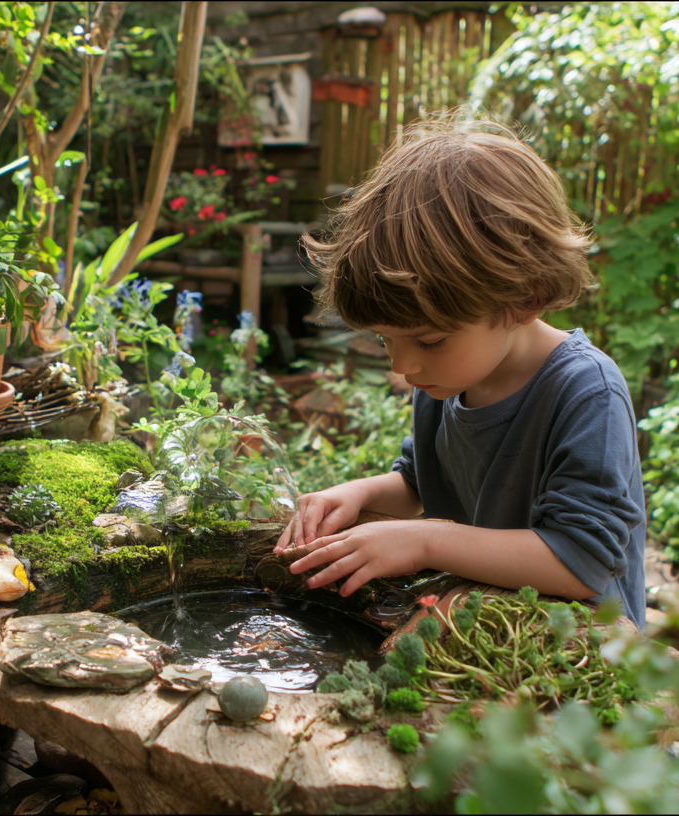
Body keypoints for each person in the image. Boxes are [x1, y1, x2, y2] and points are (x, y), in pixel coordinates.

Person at [276, 113, 647, 628]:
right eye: (385, 339)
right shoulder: (445, 379)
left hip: (576, 649)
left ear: (524, 299)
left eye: (429, 340)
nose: (402, 366)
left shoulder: (586, 392)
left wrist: (425, 541)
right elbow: (420, 483)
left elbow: (581, 562)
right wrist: (357, 493)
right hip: (486, 629)